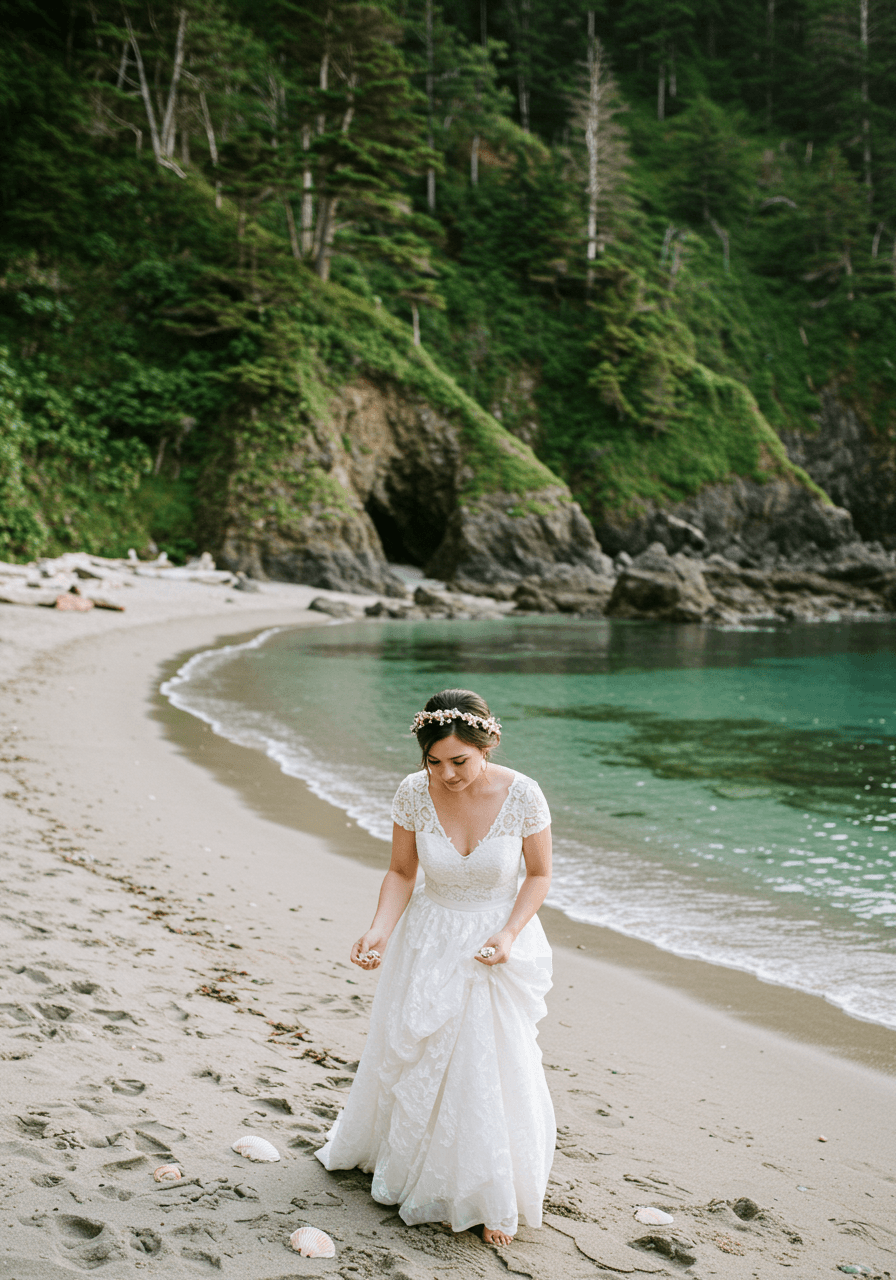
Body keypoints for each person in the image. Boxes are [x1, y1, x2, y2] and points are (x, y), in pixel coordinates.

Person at [315, 688, 556, 1247]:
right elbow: (401, 872)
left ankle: (492, 1189)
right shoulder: (412, 793)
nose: (446, 774)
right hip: (427, 937)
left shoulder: (524, 795)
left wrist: (508, 932)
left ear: (488, 744)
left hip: (495, 940)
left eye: (459, 761)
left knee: (488, 1063)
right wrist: (378, 929)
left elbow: (539, 875)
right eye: (434, 762)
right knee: (420, 1056)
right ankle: (411, 1165)